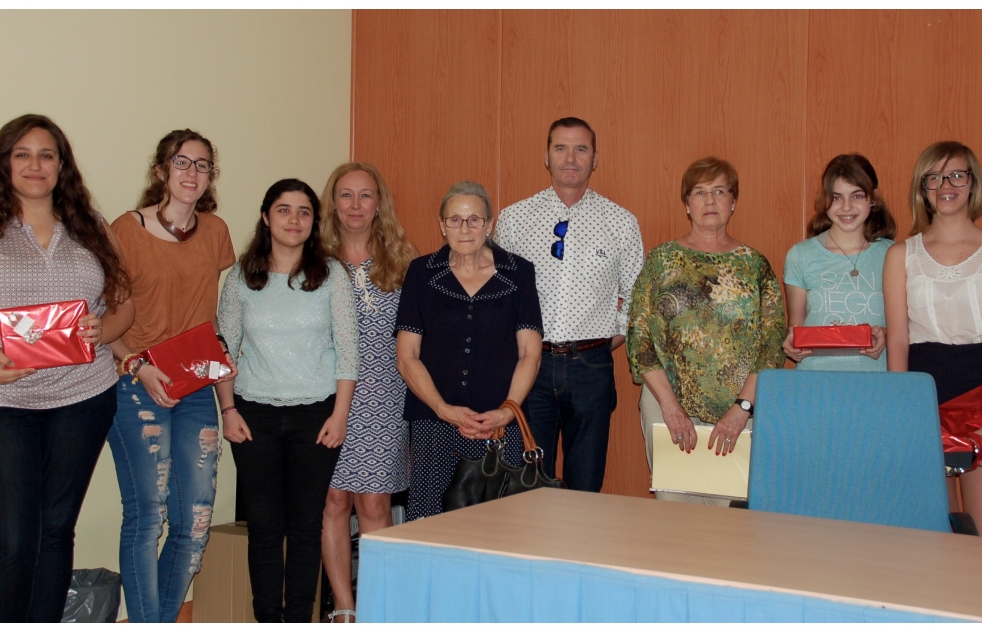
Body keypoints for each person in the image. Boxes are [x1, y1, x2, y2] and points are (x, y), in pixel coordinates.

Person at [0, 114, 133, 622]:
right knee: (14, 539)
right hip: (9, 402)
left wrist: (107, 327)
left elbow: (124, 305)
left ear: (62, 165)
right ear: (6, 162)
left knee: (57, 531)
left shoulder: (90, 226)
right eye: (23, 154)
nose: (36, 165)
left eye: (47, 155)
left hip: (83, 395)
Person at [107, 129, 236, 622]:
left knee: (195, 522)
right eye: (181, 162)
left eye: (202, 165)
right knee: (146, 517)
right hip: (137, 381)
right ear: (161, 171)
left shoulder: (216, 232)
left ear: (210, 177)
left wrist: (225, 383)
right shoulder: (125, 229)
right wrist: (140, 367)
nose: (192, 173)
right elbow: (106, 321)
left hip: (196, 386)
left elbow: (213, 315)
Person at [217, 178, 358, 623]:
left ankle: (299, 618)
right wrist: (228, 410)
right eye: (284, 210)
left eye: (303, 211)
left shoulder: (331, 275)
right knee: (263, 527)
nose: (294, 219)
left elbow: (348, 349)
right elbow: (222, 350)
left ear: (314, 222)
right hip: (253, 414)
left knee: (305, 526)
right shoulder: (241, 276)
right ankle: (267, 619)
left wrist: (340, 415)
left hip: (316, 415)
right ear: (265, 217)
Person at [494, 117, 644, 492]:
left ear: (596, 159)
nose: (570, 158)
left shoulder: (621, 222)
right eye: (561, 148)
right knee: (529, 485)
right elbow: (498, 294)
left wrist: (610, 338)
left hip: (591, 367)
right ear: (546, 157)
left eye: (581, 149)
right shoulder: (514, 219)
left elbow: (637, 299)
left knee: (585, 486)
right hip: (531, 367)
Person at [626, 157, 786, 501]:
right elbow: (639, 341)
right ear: (687, 204)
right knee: (676, 521)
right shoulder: (661, 260)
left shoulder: (754, 266)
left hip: (739, 414)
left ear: (733, 201)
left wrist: (742, 409)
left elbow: (772, 346)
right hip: (666, 409)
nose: (710, 201)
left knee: (729, 524)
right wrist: (670, 407)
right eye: (699, 192)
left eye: (719, 191)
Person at [396, 181, 543, 521]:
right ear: (441, 224)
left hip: (499, 424)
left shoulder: (518, 273)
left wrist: (507, 411)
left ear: (489, 224)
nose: (465, 228)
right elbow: (407, 356)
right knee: (433, 523)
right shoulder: (421, 273)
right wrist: (442, 408)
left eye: (474, 219)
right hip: (435, 421)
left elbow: (529, 355)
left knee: (499, 526)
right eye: (455, 220)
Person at [318, 163, 417, 624]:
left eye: (365, 196)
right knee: (334, 500)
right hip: (327, 395)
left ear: (380, 204)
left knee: (375, 502)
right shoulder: (315, 260)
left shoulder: (403, 259)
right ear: (332, 202)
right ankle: (344, 608)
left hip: (384, 394)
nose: (355, 206)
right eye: (346, 195)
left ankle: (380, 606)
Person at [884, 141, 982, 524]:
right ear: (922, 189)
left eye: (957, 174)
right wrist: (899, 405)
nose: (946, 185)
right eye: (934, 177)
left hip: (980, 387)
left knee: (977, 524)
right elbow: (897, 338)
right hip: (925, 390)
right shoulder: (901, 254)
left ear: (972, 182)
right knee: (935, 524)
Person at [783, 154, 896, 370]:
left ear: (873, 199)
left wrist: (886, 334)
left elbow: (907, 328)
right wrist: (792, 343)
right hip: (816, 381)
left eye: (857, 196)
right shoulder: (800, 255)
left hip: (876, 382)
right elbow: (796, 326)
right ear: (825, 200)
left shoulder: (893, 254)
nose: (846, 207)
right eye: (837, 197)